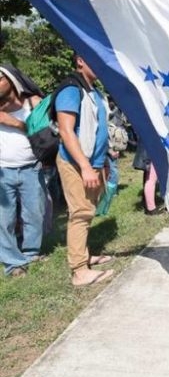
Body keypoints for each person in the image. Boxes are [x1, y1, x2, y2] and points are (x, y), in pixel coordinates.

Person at [54, 54, 114, 287]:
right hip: (76, 162)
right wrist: (86, 167)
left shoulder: (94, 91)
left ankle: (85, 255)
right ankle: (79, 271)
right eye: (93, 57)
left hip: (94, 163)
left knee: (88, 210)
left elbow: (100, 130)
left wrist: (102, 162)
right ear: (80, 60)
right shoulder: (71, 89)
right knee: (80, 213)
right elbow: (66, 132)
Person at [0, 64, 47, 278]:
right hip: (2, 171)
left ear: (11, 80)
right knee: (4, 219)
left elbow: (45, 132)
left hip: (31, 168)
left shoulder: (33, 102)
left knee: (34, 213)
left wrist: (17, 124)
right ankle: (12, 262)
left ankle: (31, 252)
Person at [132, 141, 162, 216]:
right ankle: (151, 208)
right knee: (151, 180)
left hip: (148, 152)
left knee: (148, 178)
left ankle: (147, 202)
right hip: (151, 152)